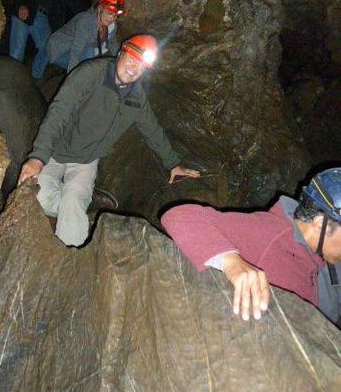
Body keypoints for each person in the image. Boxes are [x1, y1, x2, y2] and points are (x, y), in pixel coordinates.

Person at [18, 34, 201, 247]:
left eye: (141, 65)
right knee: (38, 198)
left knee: (73, 203)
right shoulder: (90, 74)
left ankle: (74, 241)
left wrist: (173, 163)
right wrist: (38, 158)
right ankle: (84, 204)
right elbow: (58, 112)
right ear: (121, 52)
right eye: (132, 58)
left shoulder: (136, 99)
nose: (134, 67)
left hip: (85, 161)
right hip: (55, 152)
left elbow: (152, 129)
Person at [161, 168, 341, 325]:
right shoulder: (265, 233)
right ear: (320, 224)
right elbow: (180, 216)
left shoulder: (326, 251)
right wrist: (231, 262)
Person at [47, 0, 125, 73]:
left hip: (76, 50)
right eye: (109, 13)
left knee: (94, 58)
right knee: (89, 55)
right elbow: (76, 52)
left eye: (115, 16)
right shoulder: (86, 21)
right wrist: (71, 77)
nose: (112, 19)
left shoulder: (112, 26)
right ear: (100, 8)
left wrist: (121, 62)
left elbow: (113, 45)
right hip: (58, 50)